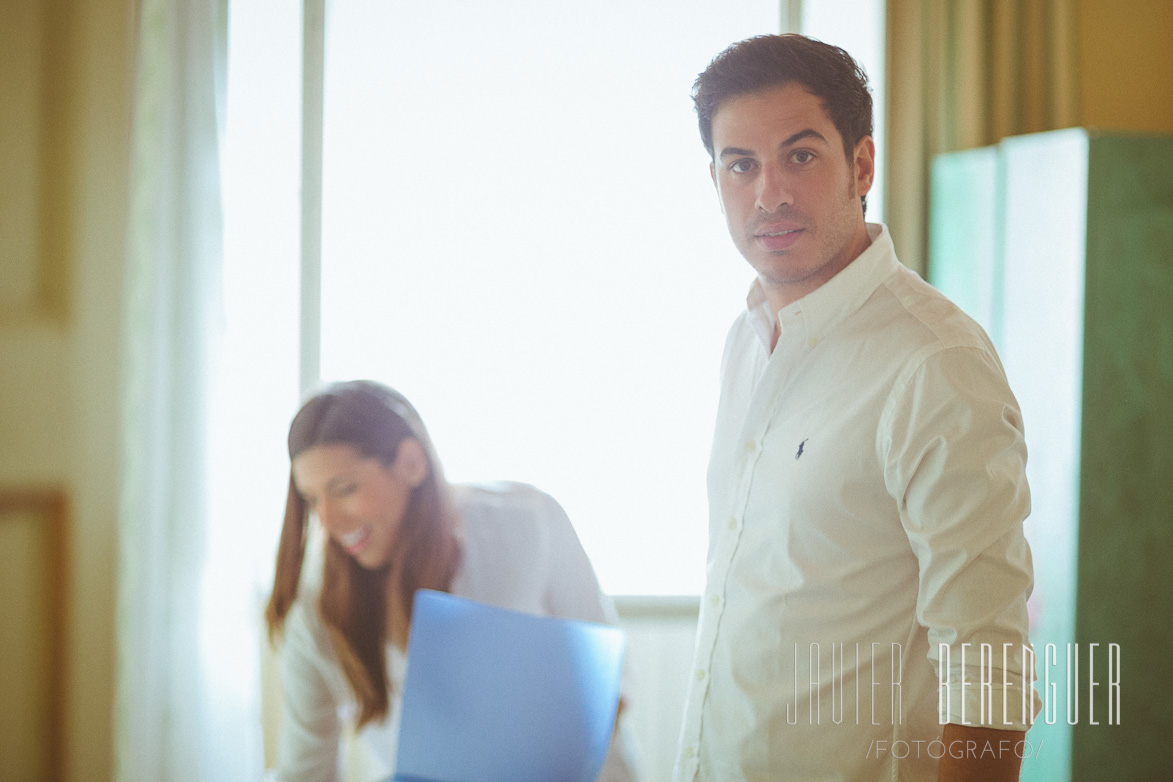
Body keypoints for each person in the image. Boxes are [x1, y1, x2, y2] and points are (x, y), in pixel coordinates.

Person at [674, 34, 1040, 781]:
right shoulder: (743, 344)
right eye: (740, 165)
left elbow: (987, 666)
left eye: (799, 156)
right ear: (714, 178)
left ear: (861, 164)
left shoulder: (933, 363)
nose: (767, 192)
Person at [266, 380, 635, 781]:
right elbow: (305, 771)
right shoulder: (317, 611)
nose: (329, 523)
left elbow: (607, 677)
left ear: (411, 462)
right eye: (312, 499)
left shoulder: (529, 523)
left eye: (345, 489)